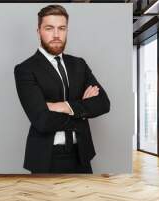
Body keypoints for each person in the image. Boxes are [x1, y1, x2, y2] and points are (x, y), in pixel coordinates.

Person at [14, 4, 110, 174]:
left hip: (81, 155)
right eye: (49, 28)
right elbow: (41, 120)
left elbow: (103, 103)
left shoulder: (79, 65)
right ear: (38, 32)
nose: (56, 35)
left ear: (67, 30)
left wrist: (62, 106)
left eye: (62, 28)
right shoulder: (25, 69)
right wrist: (81, 108)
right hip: (46, 157)